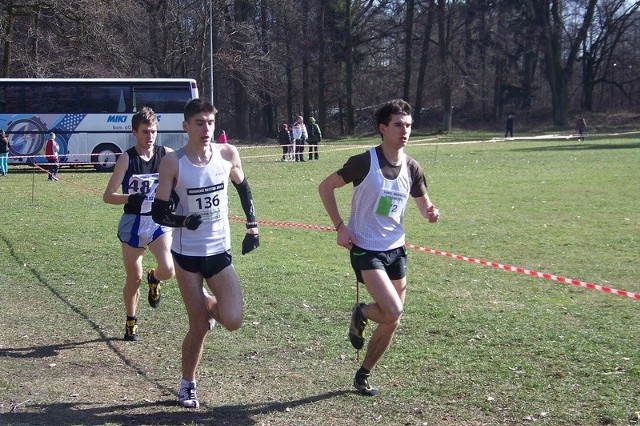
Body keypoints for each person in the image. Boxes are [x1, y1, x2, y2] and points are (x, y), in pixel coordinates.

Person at [318, 99, 440, 397]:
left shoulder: (412, 167)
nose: (405, 131)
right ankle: (360, 311)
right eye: (398, 125)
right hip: (365, 248)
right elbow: (325, 187)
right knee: (393, 309)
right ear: (383, 128)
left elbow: (424, 205)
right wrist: (340, 226)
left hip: (395, 249)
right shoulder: (363, 162)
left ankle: (363, 374)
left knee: (391, 322)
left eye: (409, 125)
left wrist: (431, 212)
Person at [151, 98, 260, 409]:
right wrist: (184, 220)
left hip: (219, 252)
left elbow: (243, 186)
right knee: (198, 326)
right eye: (199, 123)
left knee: (234, 320)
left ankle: (211, 309)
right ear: (186, 126)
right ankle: (188, 384)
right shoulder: (173, 162)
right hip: (186, 256)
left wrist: (253, 228)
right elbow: (159, 212)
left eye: (210, 122)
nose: (206, 129)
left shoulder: (227, 154)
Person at [102, 107, 175, 342]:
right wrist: (129, 198)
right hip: (133, 223)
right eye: (145, 132)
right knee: (133, 278)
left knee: (169, 270)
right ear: (134, 133)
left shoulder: (167, 155)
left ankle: (155, 278)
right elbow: (108, 196)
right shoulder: (127, 158)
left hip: (157, 223)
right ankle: (131, 319)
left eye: (153, 131)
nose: (150, 136)